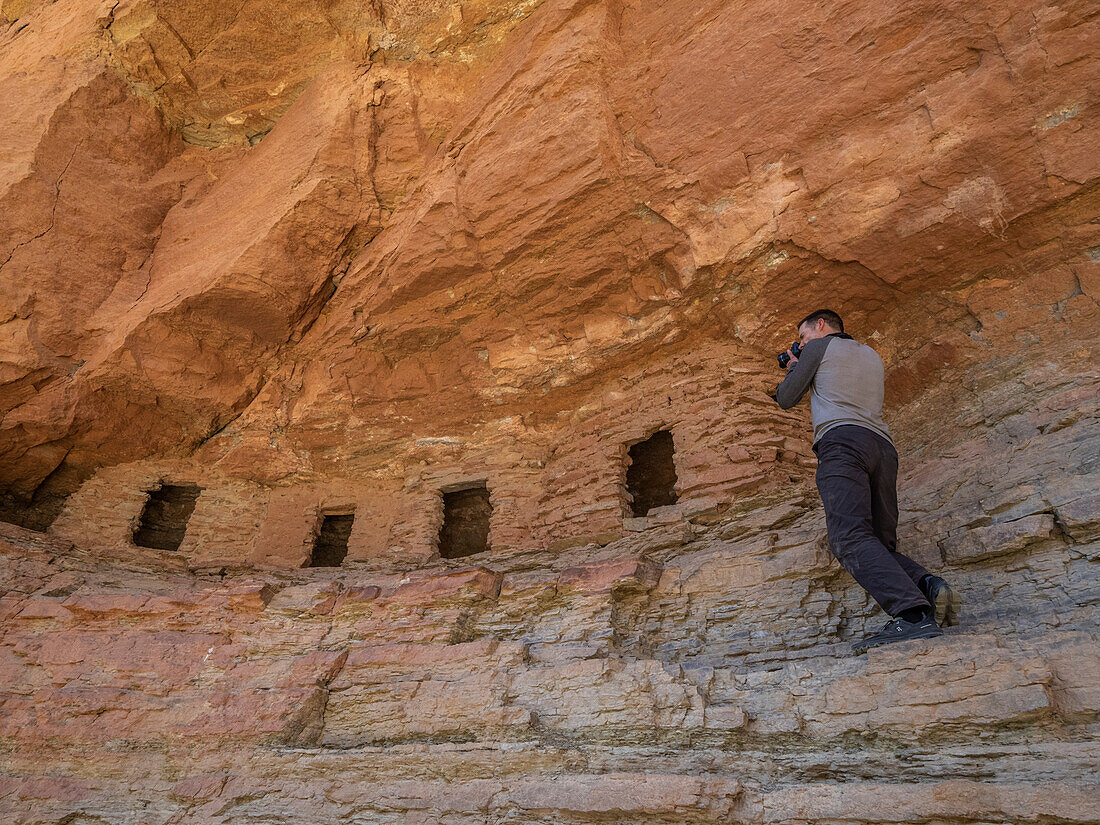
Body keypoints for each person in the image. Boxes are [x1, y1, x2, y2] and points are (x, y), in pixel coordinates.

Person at [773, 309, 959, 654]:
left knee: (848, 536)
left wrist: (794, 365)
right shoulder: (870, 354)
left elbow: (786, 398)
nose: (799, 344)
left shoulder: (818, 347)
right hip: (883, 449)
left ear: (822, 326)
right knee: (878, 544)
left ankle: (912, 615)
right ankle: (928, 586)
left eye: (802, 336)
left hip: (843, 444)